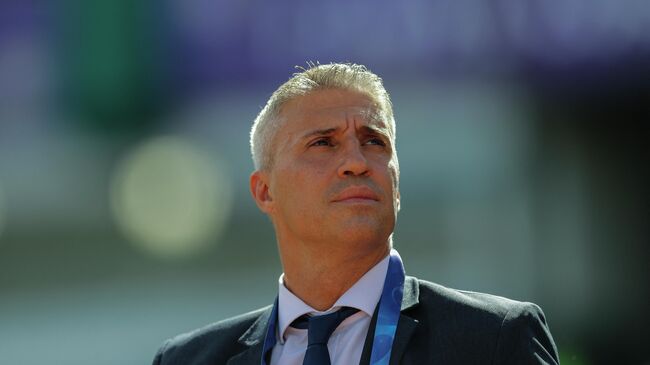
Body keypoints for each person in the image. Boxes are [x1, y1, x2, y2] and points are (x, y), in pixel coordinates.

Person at [152, 63, 559, 365]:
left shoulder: (493, 339)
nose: (357, 162)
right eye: (324, 144)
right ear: (265, 191)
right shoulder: (187, 360)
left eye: (374, 142)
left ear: (396, 182)